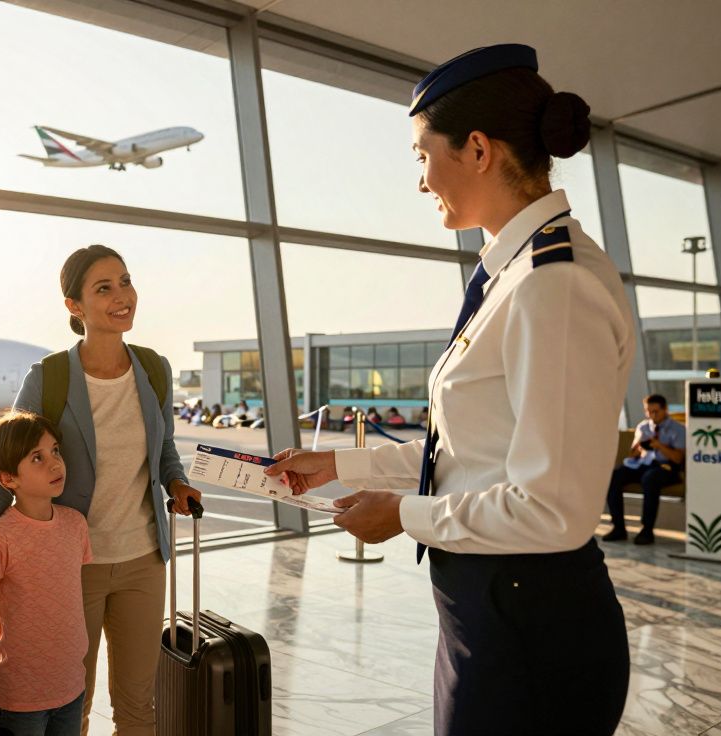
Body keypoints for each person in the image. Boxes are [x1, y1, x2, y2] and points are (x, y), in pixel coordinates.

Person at [266, 44, 632, 735]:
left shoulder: (552, 285)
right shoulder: (514, 275)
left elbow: (552, 510)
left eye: (420, 155)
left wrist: (403, 515)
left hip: (530, 634)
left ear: (477, 150)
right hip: (489, 616)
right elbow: (468, 452)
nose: (419, 180)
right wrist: (338, 465)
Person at [0, 244, 203, 736]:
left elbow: (165, 449)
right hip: (73, 564)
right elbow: (6, 462)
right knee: (75, 700)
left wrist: (175, 481)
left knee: (139, 705)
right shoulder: (48, 378)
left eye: (126, 281)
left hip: (143, 558)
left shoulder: (154, 369)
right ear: (74, 306)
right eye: (104, 288)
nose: (122, 296)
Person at [0, 411, 92, 735]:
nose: (55, 464)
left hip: (71, 683)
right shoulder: (1, 535)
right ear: (8, 479)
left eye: (55, 450)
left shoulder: (76, 524)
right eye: (37, 458)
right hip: (20, 695)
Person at [602, 393, 685, 545]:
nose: (652, 415)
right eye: (648, 411)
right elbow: (632, 454)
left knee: (650, 479)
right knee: (613, 477)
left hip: (665, 467)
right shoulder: (643, 427)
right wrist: (639, 447)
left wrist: (659, 445)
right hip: (641, 464)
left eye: (655, 411)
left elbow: (678, 458)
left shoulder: (678, 429)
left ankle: (647, 530)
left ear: (665, 410)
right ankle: (618, 527)